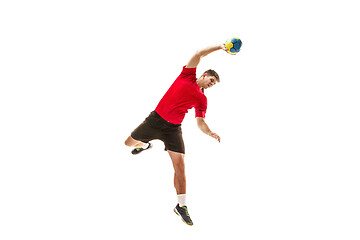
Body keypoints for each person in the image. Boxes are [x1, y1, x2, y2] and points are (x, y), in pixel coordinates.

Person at [124, 43, 231, 225]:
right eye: (211, 80)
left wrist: (209, 132)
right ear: (204, 75)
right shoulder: (187, 75)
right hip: (154, 121)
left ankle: (181, 206)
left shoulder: (202, 98)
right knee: (128, 143)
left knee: (180, 166)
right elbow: (199, 53)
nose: (212, 84)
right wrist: (221, 47)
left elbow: (200, 122)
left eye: (214, 84)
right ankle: (145, 145)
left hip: (173, 129)